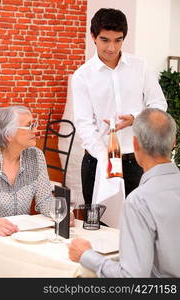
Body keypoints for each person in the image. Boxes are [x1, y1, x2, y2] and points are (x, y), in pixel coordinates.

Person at [68, 108, 180, 278]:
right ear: (174, 142)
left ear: (135, 145)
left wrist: (86, 255)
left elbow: (131, 277)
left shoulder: (139, 201)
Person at [72, 8, 167, 204]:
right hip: (97, 161)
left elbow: (159, 104)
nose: (112, 48)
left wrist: (135, 119)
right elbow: (84, 124)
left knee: (139, 224)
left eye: (118, 40)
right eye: (105, 40)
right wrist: (104, 158)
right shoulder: (83, 75)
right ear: (93, 36)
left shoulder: (140, 66)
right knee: (97, 226)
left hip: (136, 161)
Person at [0, 105, 54, 236]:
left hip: (23, 236)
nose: (36, 130)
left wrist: (60, 212)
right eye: (29, 126)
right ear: (8, 134)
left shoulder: (36, 156)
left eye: (35, 124)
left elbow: (45, 199)